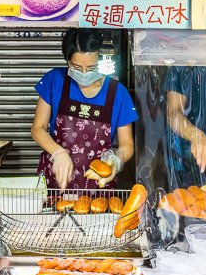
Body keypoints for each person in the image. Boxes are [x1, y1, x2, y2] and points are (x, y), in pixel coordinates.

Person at [32, 29, 137, 191]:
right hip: (57, 179)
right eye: (76, 66)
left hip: (98, 184)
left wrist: (116, 161)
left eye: (91, 67)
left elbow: (127, 144)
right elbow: (38, 128)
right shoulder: (54, 80)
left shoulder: (118, 93)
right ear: (68, 61)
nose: (84, 73)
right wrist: (58, 153)